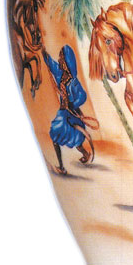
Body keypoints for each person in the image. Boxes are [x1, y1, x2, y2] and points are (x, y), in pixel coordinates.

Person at [42, 44, 94, 174]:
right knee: (56, 137)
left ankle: (85, 154)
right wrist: (45, 55)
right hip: (63, 114)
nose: (59, 60)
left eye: (61, 58)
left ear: (66, 62)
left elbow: (82, 96)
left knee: (76, 140)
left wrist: (72, 104)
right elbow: (52, 66)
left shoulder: (73, 82)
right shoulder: (61, 75)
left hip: (71, 114)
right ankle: (62, 167)